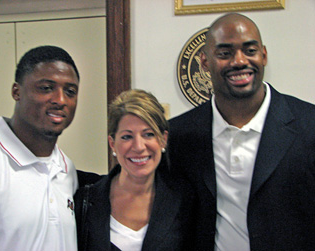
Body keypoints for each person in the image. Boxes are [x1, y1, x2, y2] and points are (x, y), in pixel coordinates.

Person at [168, 13, 315, 251]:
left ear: (264, 55)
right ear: (205, 62)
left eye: (250, 50)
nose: (239, 61)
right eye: (225, 53)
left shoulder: (309, 126)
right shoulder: (179, 135)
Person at [0, 45, 80, 250]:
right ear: (17, 91)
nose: (60, 100)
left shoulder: (65, 168)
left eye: (70, 91)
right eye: (46, 88)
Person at [74, 89, 196, 251]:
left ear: (163, 140)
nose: (138, 147)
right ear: (112, 143)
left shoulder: (184, 201)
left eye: (148, 134)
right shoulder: (85, 202)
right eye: (127, 136)